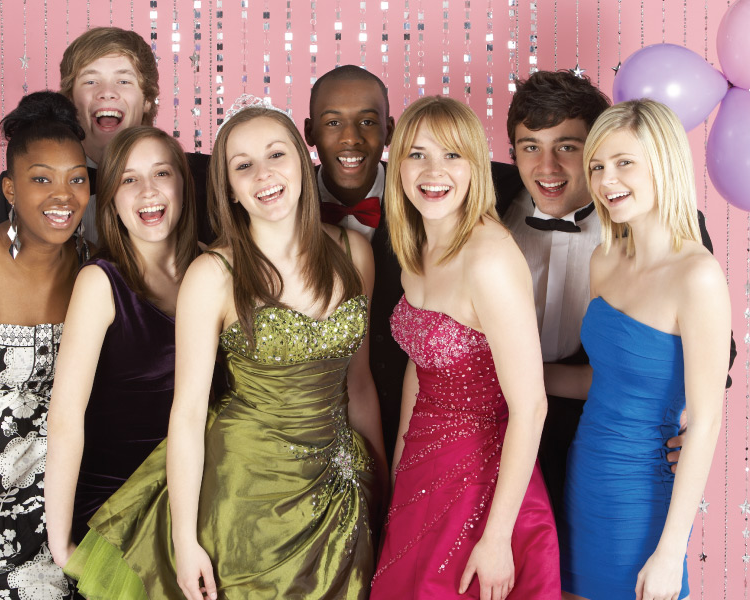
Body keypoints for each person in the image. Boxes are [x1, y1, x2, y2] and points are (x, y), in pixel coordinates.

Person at [63, 96, 386, 600]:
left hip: (340, 488)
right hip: (241, 495)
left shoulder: (354, 254)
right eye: (243, 165)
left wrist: (383, 489)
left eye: (276, 155)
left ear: (302, 163)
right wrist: (185, 538)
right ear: (230, 188)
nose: (263, 174)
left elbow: (359, 384)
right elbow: (188, 414)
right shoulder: (212, 274)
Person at [502, 70, 726, 519]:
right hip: (497, 428)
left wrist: (684, 415)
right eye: (531, 147)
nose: (547, 167)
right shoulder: (483, 198)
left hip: (593, 442)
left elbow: (711, 347)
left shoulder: (670, 234)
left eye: (567, 146)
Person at [371, 95, 560, 599]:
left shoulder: (490, 260)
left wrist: (497, 537)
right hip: (422, 466)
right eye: (417, 154)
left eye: (452, 155)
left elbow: (531, 406)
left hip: (486, 479)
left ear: (476, 164)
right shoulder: (415, 245)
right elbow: (421, 367)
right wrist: (398, 477)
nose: (434, 171)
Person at [306, 65, 523, 463]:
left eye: (367, 122)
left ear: (389, 131)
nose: (351, 137)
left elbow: (536, 172)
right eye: (333, 122)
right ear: (309, 133)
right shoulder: (277, 199)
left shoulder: (435, 198)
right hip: (307, 429)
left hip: (420, 430)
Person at [559, 99, 730, 600]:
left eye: (624, 162)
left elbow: (705, 421)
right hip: (584, 472)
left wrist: (671, 549)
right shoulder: (604, 259)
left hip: (643, 494)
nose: (607, 180)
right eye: (597, 166)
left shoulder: (697, 277)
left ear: (664, 163)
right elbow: (602, 379)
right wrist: (511, 369)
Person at [0, 91, 90, 598]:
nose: (63, 195)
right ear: (10, 188)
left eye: (77, 178)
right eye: (41, 179)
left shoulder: (95, 273)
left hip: (57, 520)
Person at [44, 126, 199, 572]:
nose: (147, 191)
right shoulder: (99, 283)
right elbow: (65, 418)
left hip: (200, 506)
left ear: (183, 185)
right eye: (129, 180)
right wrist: (61, 544)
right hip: (118, 512)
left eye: (161, 173)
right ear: (110, 197)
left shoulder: (214, 270)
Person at [0, 27, 212, 245]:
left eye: (123, 81)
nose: (106, 93)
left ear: (147, 100)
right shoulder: (26, 182)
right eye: (90, 81)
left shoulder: (205, 176)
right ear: (70, 100)